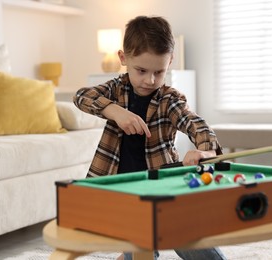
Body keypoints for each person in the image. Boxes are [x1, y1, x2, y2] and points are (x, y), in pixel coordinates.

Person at [74, 15, 226, 260]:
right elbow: (82, 96)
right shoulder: (115, 89)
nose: (150, 80)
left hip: (162, 187)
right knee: (141, 247)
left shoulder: (169, 99)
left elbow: (195, 125)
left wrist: (206, 151)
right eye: (141, 70)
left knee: (188, 238)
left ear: (170, 62)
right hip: (122, 191)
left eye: (159, 71)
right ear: (123, 58)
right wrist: (115, 111)